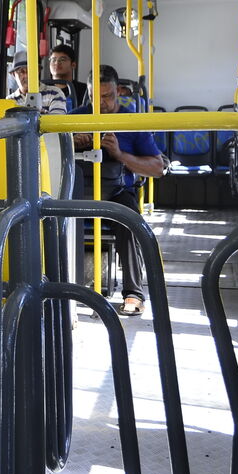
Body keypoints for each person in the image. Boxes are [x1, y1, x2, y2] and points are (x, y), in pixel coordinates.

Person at [70, 67, 167, 315]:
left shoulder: (132, 121)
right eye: (95, 96)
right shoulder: (72, 119)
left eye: (108, 96)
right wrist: (70, 143)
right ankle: (65, 287)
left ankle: (134, 293)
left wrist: (119, 154)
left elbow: (157, 168)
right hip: (79, 188)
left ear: (118, 93)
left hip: (117, 189)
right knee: (55, 218)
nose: (101, 103)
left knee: (128, 221)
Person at [7, 48, 68, 114]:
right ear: (13, 75)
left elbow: (57, 122)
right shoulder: (10, 101)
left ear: (38, 71)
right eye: (22, 72)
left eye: (30, 71)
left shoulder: (55, 93)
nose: (27, 76)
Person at [47, 44, 89, 109]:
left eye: (62, 59)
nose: (57, 63)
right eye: (53, 60)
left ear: (73, 65)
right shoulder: (42, 89)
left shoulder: (85, 91)